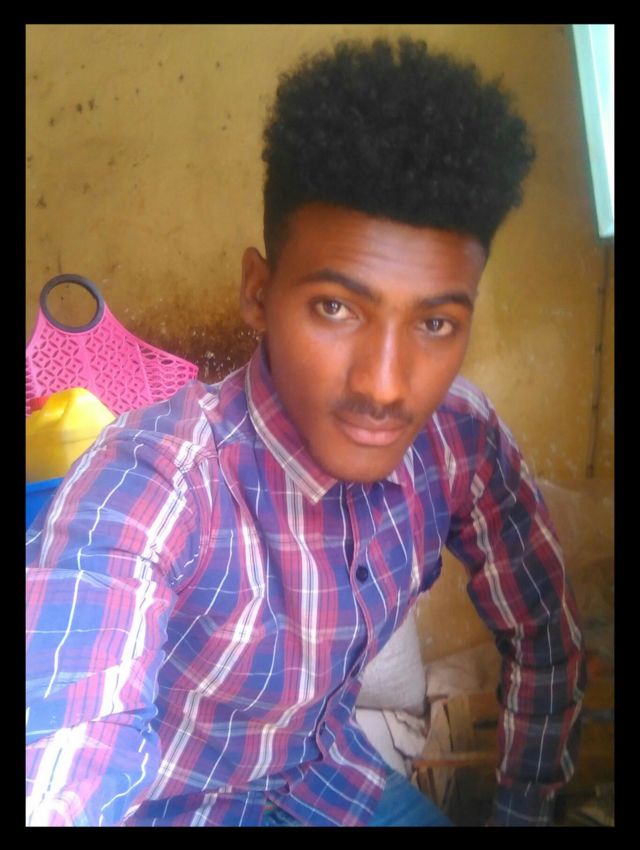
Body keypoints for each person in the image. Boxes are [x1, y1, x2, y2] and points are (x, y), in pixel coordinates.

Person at [26, 37, 587, 827]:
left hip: (325, 776)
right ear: (258, 292)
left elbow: (543, 633)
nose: (384, 386)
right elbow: (68, 744)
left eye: (434, 322)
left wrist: (525, 808)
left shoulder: (459, 439)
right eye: (336, 307)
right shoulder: (153, 478)